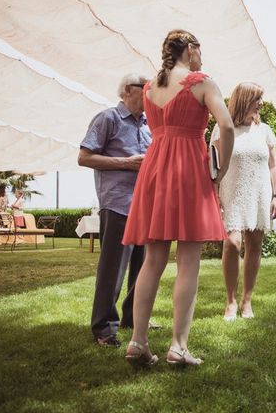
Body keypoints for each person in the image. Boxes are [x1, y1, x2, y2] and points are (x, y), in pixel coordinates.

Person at [122, 29, 234, 367]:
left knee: (152, 261)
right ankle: (178, 346)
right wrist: (221, 170)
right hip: (187, 169)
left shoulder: (149, 88)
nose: (202, 55)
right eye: (200, 48)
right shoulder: (202, 82)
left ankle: (138, 341)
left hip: (155, 168)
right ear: (190, 48)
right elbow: (226, 127)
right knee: (189, 262)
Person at [79, 72, 157, 348]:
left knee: (143, 265)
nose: (149, 95)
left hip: (146, 205)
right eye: (145, 89)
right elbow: (84, 157)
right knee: (113, 268)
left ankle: (134, 317)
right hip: (118, 203)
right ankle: (104, 327)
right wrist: (126, 163)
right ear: (127, 90)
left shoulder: (150, 125)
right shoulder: (107, 119)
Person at [210, 82, 276, 321]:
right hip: (230, 193)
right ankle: (230, 301)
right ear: (244, 99)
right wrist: (214, 195)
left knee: (255, 245)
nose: (261, 103)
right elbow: (215, 165)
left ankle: (246, 301)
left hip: (259, 193)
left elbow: (273, 166)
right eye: (257, 98)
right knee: (232, 243)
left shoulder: (265, 131)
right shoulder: (223, 129)